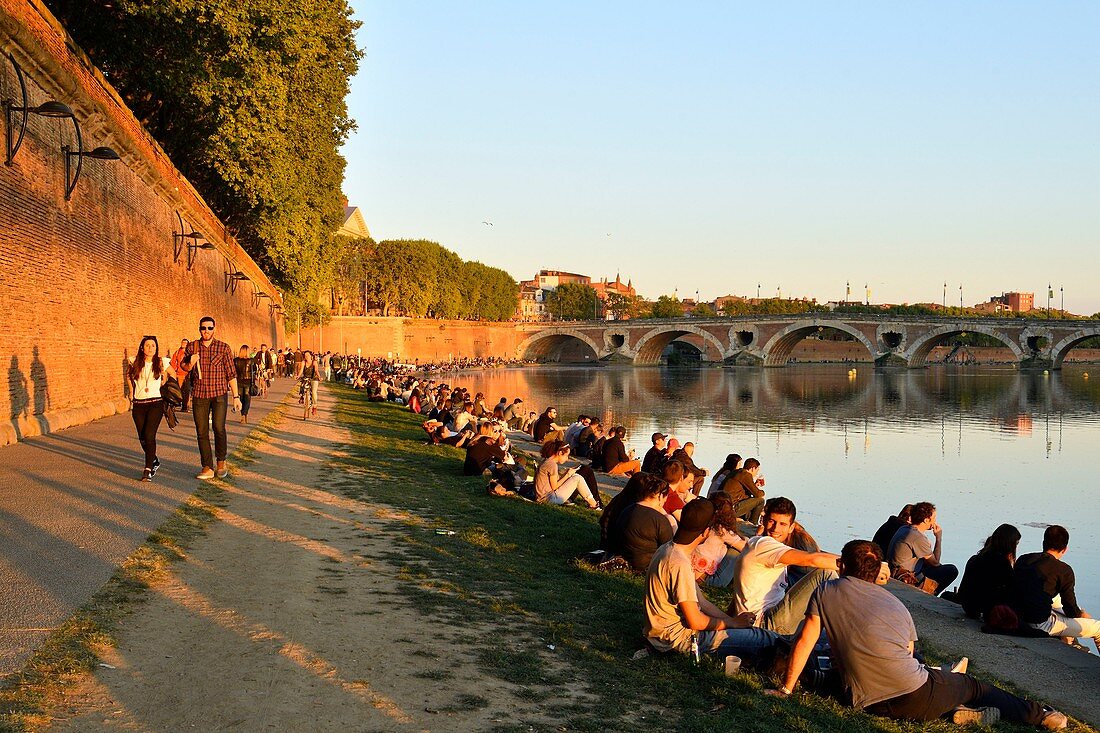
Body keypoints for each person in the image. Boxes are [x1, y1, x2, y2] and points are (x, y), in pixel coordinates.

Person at [769, 539, 1067, 730]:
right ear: (877, 573)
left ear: (842, 565)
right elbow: (909, 655)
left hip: (863, 699)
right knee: (973, 686)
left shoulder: (825, 591)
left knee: (835, 665)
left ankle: (957, 704)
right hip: (915, 698)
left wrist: (786, 689)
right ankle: (1039, 714)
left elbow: (805, 641)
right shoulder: (895, 605)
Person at [643, 498, 781, 664]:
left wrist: (732, 623)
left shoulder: (669, 549)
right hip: (678, 640)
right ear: (706, 532)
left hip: (662, 634)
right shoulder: (679, 563)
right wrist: (731, 622)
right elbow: (695, 620)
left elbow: (702, 602)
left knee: (757, 635)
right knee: (763, 638)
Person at [726, 496, 839, 635]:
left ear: (791, 527)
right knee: (826, 573)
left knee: (828, 635)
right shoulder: (764, 545)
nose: (775, 529)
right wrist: (856, 563)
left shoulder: (759, 544)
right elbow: (812, 559)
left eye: (782, 524)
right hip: (765, 623)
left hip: (767, 619)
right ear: (763, 521)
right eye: (772, 521)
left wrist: (728, 621)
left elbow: (741, 594)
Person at [1011, 525, 1100, 654]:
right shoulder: (1064, 570)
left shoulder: (1024, 559)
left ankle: (1070, 642)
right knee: (1098, 628)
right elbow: (1070, 610)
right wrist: (1082, 615)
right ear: (1065, 549)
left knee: (1055, 600)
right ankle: (1071, 640)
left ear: (1043, 543)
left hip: (1018, 616)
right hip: (1038, 623)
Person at [183, 317, 241, 480]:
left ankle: (221, 463)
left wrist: (236, 396)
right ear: (199, 329)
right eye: (203, 328)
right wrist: (191, 362)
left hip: (219, 394)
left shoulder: (223, 348)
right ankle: (207, 467)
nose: (206, 331)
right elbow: (184, 368)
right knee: (201, 431)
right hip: (200, 394)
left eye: (209, 328)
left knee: (218, 428)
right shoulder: (192, 347)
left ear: (214, 329)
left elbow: (231, 374)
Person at [128, 336, 176, 482]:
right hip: (139, 403)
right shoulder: (134, 362)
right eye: (147, 345)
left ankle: (148, 469)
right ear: (142, 348)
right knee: (142, 438)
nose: (150, 348)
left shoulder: (161, 362)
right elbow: (129, 376)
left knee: (149, 435)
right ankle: (154, 459)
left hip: (156, 402)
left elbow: (173, 373)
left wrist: (164, 382)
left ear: (156, 348)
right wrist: (131, 391)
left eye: (153, 346)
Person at [887, 502, 958, 596]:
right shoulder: (917, 537)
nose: (935, 521)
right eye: (933, 518)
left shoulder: (904, 528)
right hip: (907, 577)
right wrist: (938, 538)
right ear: (926, 520)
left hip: (895, 570)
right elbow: (935, 563)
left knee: (928, 564)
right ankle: (929, 594)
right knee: (951, 570)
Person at [958, 523, 1020, 620]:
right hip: (985, 608)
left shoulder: (976, 558)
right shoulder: (1001, 563)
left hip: (968, 606)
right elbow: (1012, 585)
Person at [614, 473, 676, 571]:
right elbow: (669, 550)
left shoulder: (627, 510)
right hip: (647, 566)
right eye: (665, 498)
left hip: (624, 559)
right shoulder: (659, 520)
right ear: (660, 496)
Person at [534, 440, 599, 509]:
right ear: (560, 453)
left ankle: (593, 503)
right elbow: (554, 487)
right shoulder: (552, 465)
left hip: (543, 496)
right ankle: (594, 504)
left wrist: (567, 473)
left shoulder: (547, 461)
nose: (567, 459)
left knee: (574, 476)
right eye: (566, 455)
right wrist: (567, 474)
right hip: (548, 498)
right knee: (577, 478)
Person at [724, 458, 766, 524]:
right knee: (760, 501)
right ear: (753, 468)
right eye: (757, 470)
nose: (757, 473)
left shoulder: (735, 472)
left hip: (725, 506)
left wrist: (755, 485)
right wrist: (763, 493)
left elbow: (745, 493)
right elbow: (758, 494)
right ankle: (753, 523)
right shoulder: (745, 475)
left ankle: (746, 521)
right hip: (732, 508)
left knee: (751, 501)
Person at [170, 338, 192, 413]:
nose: (183, 344)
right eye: (182, 342)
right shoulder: (177, 352)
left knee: (186, 391)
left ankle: (185, 406)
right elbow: (173, 362)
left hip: (187, 375)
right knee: (178, 390)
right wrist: (174, 371)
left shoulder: (189, 353)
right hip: (179, 374)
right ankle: (175, 404)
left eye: (185, 343)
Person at [234, 345, 254, 425]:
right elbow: (254, 371)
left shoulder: (235, 360)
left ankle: (242, 415)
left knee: (240, 399)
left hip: (238, 382)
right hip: (248, 382)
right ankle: (244, 414)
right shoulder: (251, 361)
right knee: (247, 400)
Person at [300, 351, 320, 417]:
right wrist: (298, 375)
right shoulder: (303, 362)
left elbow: (316, 370)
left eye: (308, 355)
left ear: (311, 356)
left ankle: (314, 406)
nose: (307, 357)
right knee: (303, 388)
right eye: (305, 356)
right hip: (306, 377)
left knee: (314, 392)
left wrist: (319, 377)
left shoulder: (314, 362)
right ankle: (303, 399)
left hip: (314, 378)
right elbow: (301, 370)